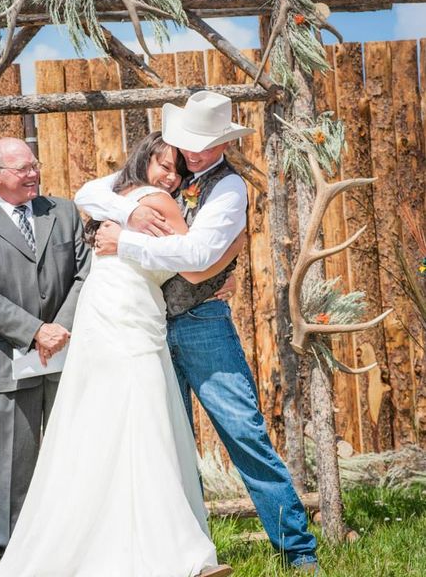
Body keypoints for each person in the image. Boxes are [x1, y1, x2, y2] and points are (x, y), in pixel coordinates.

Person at [76, 90, 319, 573]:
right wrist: (130, 214)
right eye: (189, 143)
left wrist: (125, 241)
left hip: (200, 321)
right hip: (144, 327)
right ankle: (185, 552)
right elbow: (88, 192)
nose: (194, 154)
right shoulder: (169, 170)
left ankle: (297, 550)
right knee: (168, 443)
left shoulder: (228, 188)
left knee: (243, 433)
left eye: (206, 145)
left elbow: (196, 259)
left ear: (224, 144)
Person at [0, 131, 240, 577]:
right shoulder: (156, 201)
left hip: (111, 312)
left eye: (177, 171)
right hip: (127, 315)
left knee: (104, 420)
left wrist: (128, 229)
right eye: (163, 165)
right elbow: (195, 262)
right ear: (143, 160)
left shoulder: (114, 197)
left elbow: (95, 195)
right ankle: (170, 552)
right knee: (144, 417)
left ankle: (106, 537)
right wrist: (227, 262)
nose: (170, 178)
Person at [0, 137, 91, 563]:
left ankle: (82, 544)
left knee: (80, 453)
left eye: (35, 165)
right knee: (14, 464)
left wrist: (60, 328)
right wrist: (35, 332)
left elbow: (87, 273)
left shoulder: (64, 212)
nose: (33, 173)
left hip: (71, 355)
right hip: (11, 362)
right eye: (22, 168)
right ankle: (10, 555)